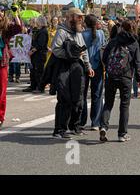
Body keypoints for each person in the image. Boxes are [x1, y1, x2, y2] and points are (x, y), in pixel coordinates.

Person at [52, 8, 94, 138]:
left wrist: (88, 67)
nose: (81, 19)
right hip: (64, 68)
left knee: (79, 99)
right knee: (64, 99)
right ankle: (59, 130)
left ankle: (75, 126)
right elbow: (55, 49)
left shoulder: (78, 32)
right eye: (78, 17)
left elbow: (84, 51)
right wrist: (70, 55)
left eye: (82, 17)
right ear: (70, 17)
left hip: (78, 69)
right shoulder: (62, 32)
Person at [100, 20, 140, 142]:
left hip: (111, 76)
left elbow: (104, 57)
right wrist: (138, 78)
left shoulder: (114, 40)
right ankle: (122, 134)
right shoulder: (134, 43)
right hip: (126, 77)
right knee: (124, 105)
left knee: (108, 103)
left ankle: (103, 126)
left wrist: (109, 69)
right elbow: (137, 63)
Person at [80, 14, 106, 130]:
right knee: (97, 94)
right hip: (98, 65)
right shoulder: (100, 34)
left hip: (84, 66)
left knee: (83, 95)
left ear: (85, 23)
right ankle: (95, 122)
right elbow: (104, 48)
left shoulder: (81, 35)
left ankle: (81, 121)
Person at [0, 8, 22, 129]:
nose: (0, 13)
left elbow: (18, 28)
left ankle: (0, 117)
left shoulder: (6, 27)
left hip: (2, 62)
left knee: (2, 90)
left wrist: (15, 13)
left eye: (2, 11)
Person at [28, 16, 49, 93]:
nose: (36, 22)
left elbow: (40, 44)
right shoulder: (39, 30)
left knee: (39, 71)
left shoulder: (43, 31)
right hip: (36, 55)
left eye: (38, 21)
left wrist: (32, 51)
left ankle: (40, 88)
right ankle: (33, 86)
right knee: (33, 71)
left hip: (40, 54)